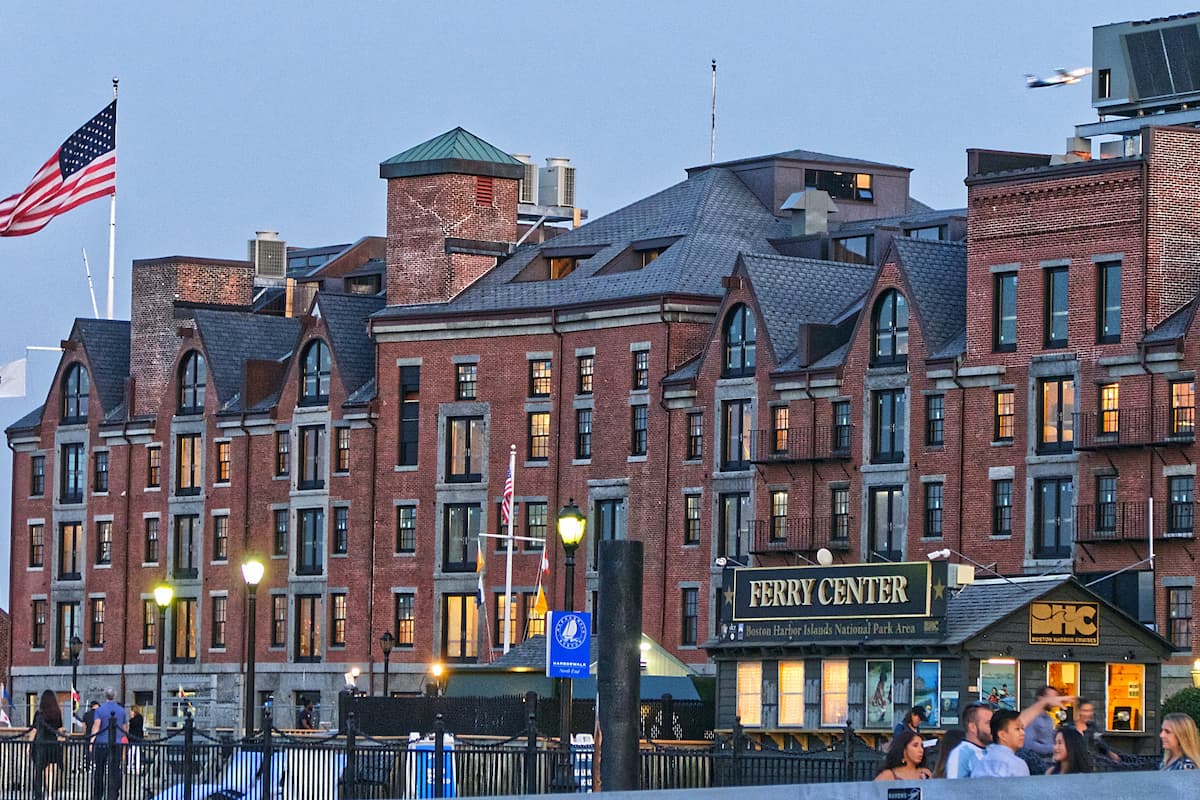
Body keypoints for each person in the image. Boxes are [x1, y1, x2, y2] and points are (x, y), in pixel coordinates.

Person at [90, 687, 126, 800]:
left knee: (99, 770)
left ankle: (98, 794)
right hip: (117, 743)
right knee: (115, 769)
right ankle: (113, 794)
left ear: (105, 696)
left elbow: (96, 726)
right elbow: (125, 728)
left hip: (102, 743)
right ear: (114, 696)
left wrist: (91, 741)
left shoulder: (99, 710)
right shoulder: (121, 710)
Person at [971, 709, 1029, 777]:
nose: (1023, 733)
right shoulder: (1017, 764)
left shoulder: (980, 762)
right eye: (1017, 729)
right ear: (1002, 735)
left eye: (1022, 728)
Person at [29, 690, 64, 800]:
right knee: (50, 771)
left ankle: (38, 792)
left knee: (38, 769)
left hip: (41, 743)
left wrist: (29, 745)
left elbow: (34, 730)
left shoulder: (39, 714)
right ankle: (49, 794)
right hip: (53, 743)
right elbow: (60, 729)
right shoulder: (57, 713)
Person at [945, 701, 992, 778]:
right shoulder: (960, 755)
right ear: (972, 727)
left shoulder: (993, 750)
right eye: (988, 723)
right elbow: (954, 788)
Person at [1071, 698, 1120, 764]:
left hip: (1090, 763)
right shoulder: (1070, 728)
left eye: (1090, 711)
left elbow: (1099, 742)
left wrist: (1110, 753)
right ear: (1079, 711)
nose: (1088, 714)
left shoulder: (1092, 727)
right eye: (1085, 711)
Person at [126, 706, 144, 774]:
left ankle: (130, 767)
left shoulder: (133, 720)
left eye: (131, 711)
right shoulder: (140, 718)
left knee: (132, 753)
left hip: (133, 738)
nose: (130, 712)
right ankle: (136, 768)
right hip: (138, 738)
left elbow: (131, 727)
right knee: (137, 753)